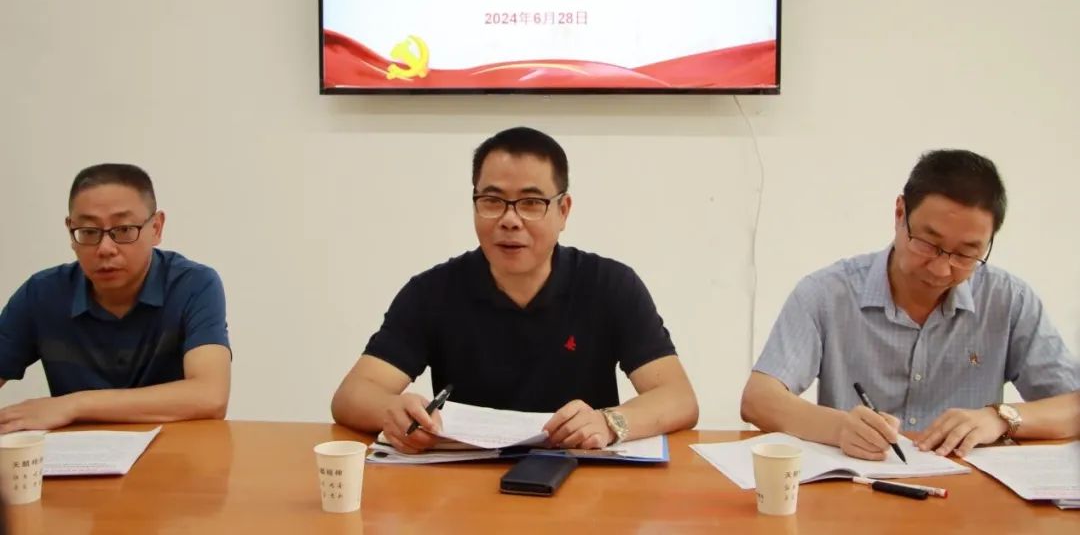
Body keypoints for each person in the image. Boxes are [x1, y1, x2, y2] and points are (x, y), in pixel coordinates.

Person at [332, 127, 698, 453]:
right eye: (492, 201)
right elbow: (352, 395)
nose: (510, 220)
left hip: (583, 477)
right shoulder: (431, 292)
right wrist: (393, 411)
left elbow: (678, 397)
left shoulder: (610, 285)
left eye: (531, 203)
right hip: (463, 482)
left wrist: (610, 422)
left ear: (563, 210)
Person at [741, 150, 1080, 460]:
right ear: (900, 213)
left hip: (969, 492)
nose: (942, 269)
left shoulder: (1008, 299)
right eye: (929, 243)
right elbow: (759, 399)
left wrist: (1001, 418)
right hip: (861, 486)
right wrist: (839, 427)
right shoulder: (828, 293)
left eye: (966, 254)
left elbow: (1073, 406)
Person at [0, 164, 231, 433]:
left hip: (177, 451)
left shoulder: (193, 285)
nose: (105, 249)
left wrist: (74, 405)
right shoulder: (41, 294)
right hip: (78, 455)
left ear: (156, 228)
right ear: (71, 232)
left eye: (123, 230)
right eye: (89, 231)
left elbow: (210, 396)